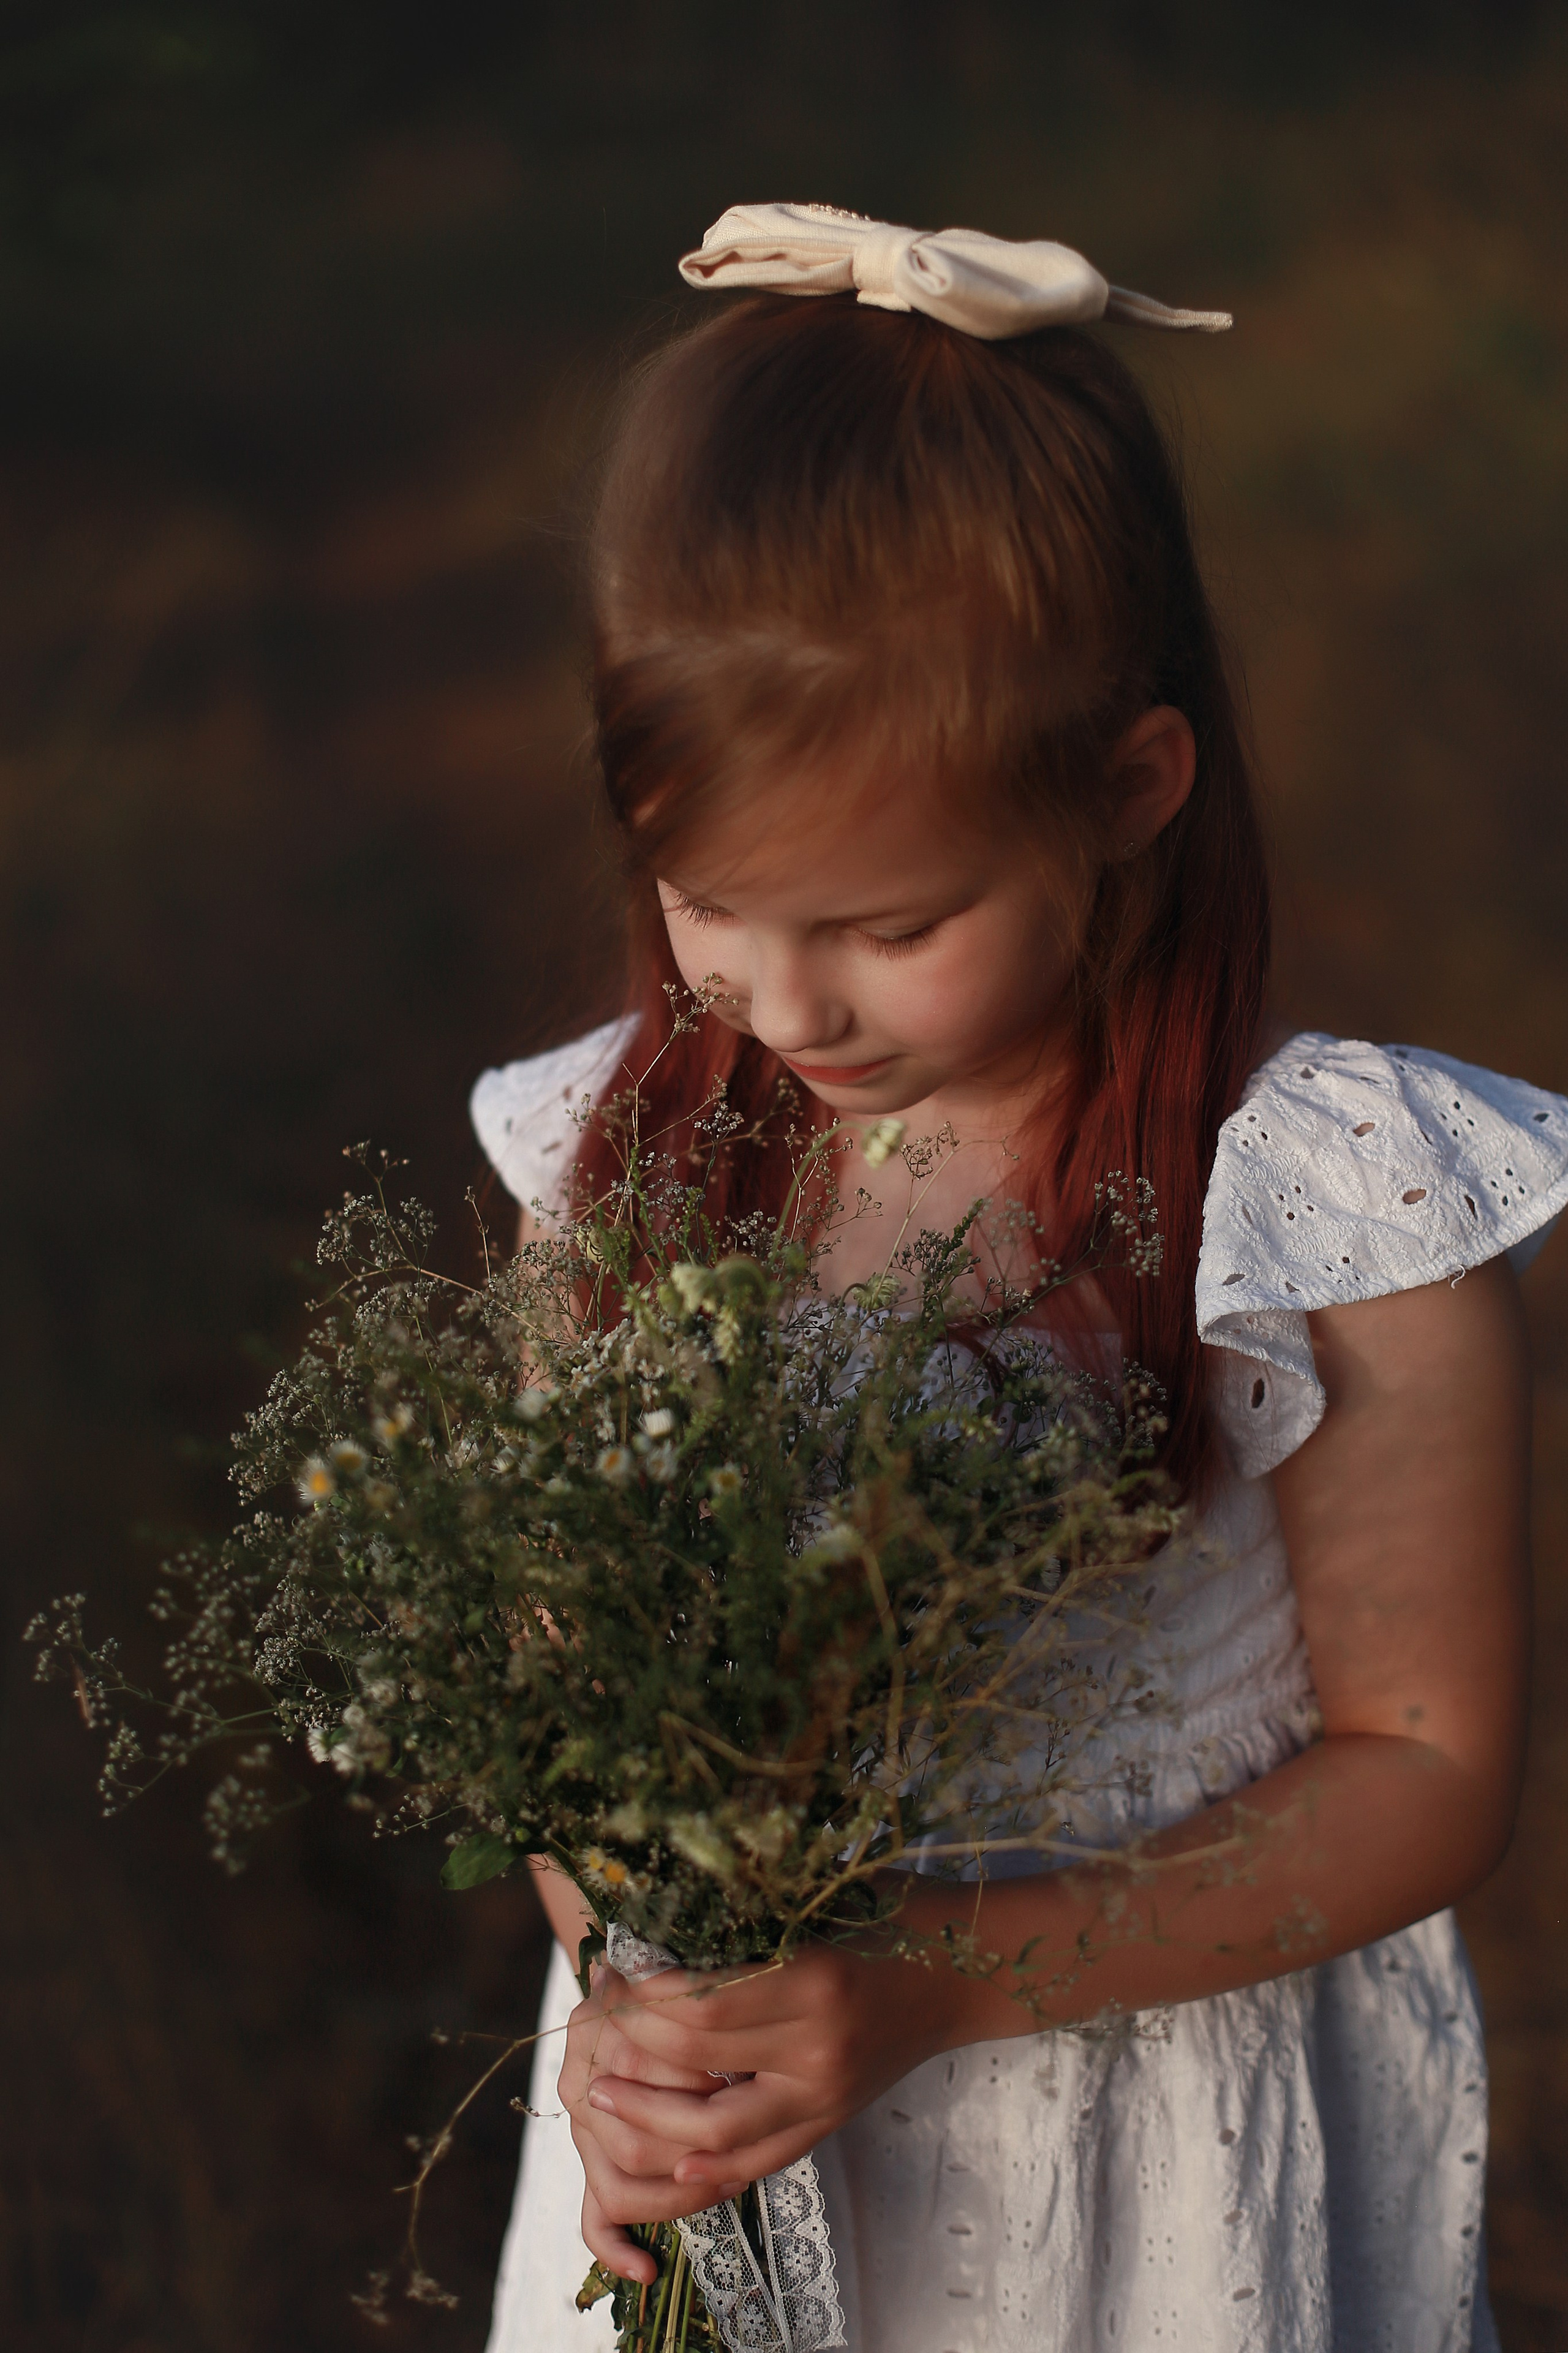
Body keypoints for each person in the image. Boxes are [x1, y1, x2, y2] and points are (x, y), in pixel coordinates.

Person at [471, 206, 1568, 2351]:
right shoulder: (615, 1165)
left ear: (1129, 786)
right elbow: (555, 1707)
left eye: (890, 918)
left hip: (1130, 2136)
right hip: (726, 2140)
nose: (783, 993)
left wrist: (935, 1982)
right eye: (704, 892)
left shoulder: (1326, 1201)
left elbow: (1429, 1762)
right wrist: (632, 1990)